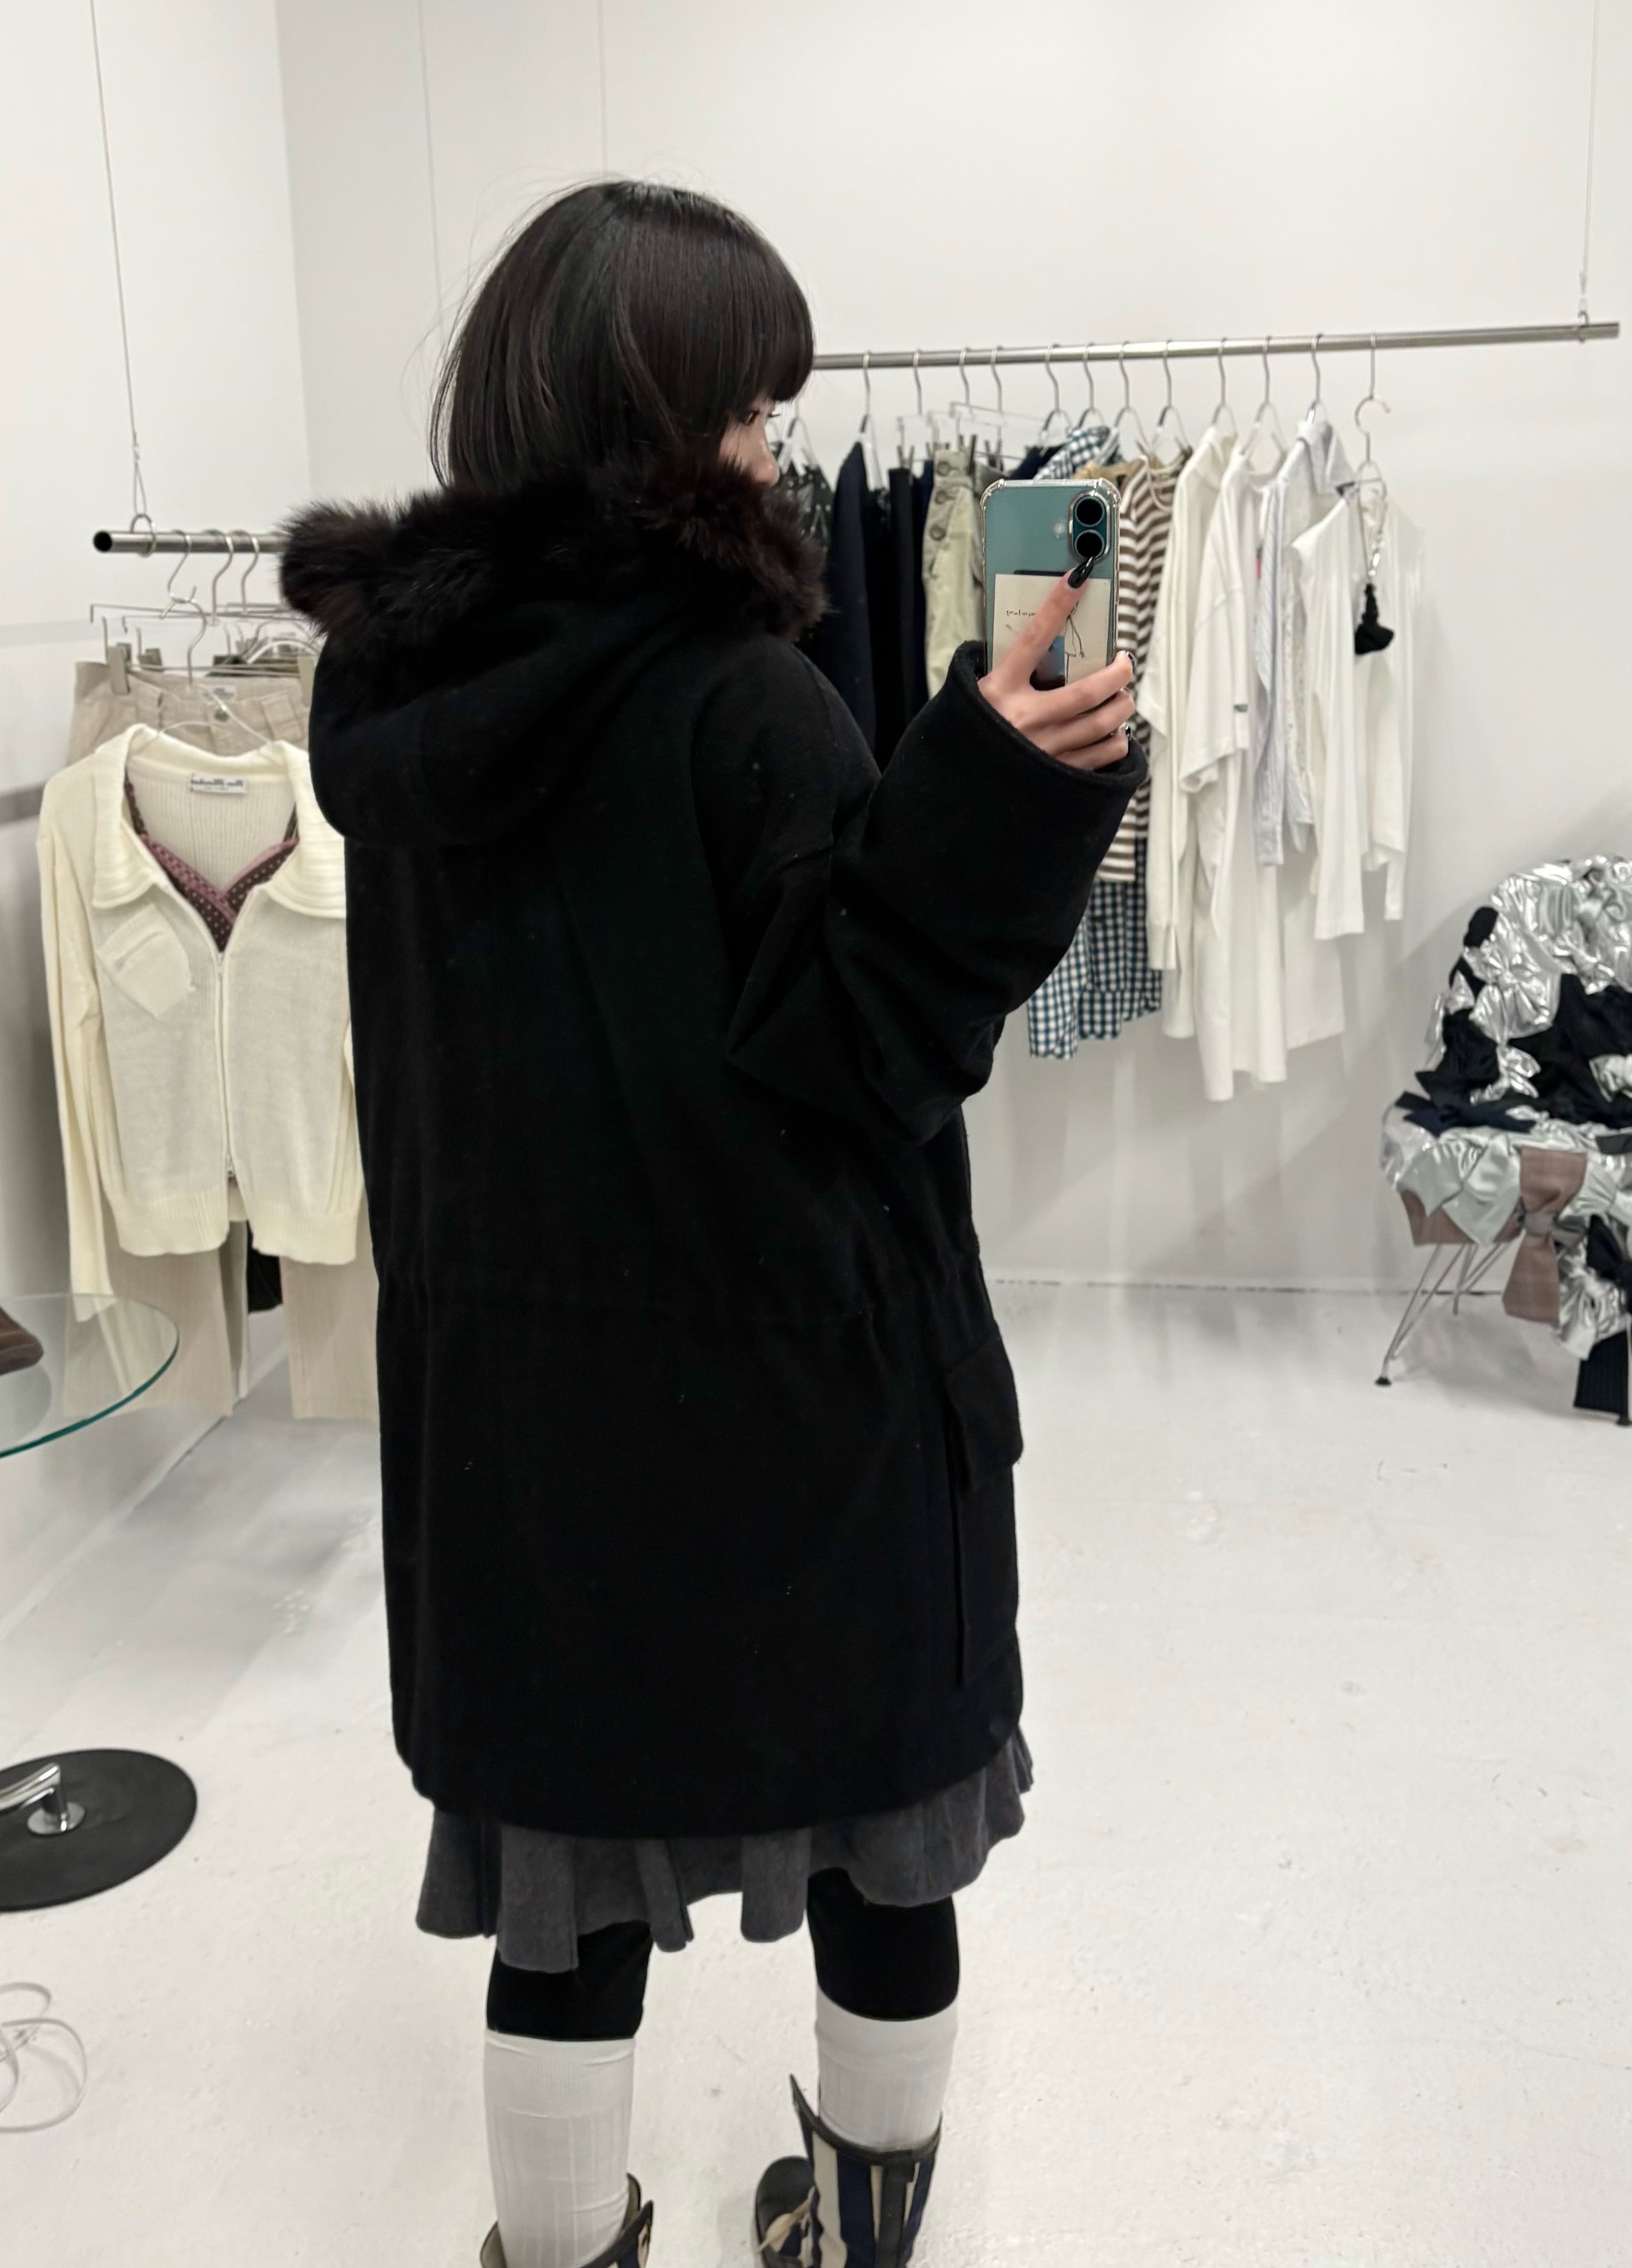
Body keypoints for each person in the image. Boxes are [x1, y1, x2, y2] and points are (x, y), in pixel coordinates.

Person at [282, 179, 1139, 2268]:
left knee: (563, 1905)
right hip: (799, 1400)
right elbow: (856, 1056)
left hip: (522, 1435)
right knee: (881, 1858)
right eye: (753, 406)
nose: (774, 449)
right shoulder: (743, 697)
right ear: (659, 416)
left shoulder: (403, 718)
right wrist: (995, 795)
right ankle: (856, 2231)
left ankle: (563, 2249)